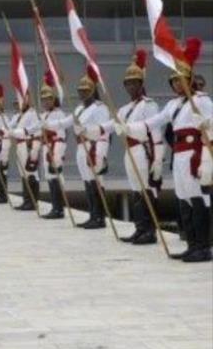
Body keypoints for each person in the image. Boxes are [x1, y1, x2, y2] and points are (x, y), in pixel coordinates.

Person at [117, 38, 211, 262]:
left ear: (189, 79)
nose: (177, 85)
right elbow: (153, 123)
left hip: (195, 154)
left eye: (180, 80)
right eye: (174, 81)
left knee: (198, 199)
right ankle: (191, 244)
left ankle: (204, 247)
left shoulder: (202, 101)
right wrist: (128, 127)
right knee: (183, 198)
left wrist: (207, 124)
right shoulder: (172, 105)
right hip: (178, 155)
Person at [100, 50, 163, 244]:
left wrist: (157, 161)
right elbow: (110, 126)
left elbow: (156, 134)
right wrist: (91, 130)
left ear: (141, 84)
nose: (130, 86)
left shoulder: (149, 105)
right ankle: (139, 228)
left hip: (143, 152)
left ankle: (149, 231)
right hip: (130, 152)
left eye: (134, 82)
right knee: (136, 191)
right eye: (128, 83)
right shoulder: (124, 109)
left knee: (146, 191)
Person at [45, 71, 111, 229]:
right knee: (87, 182)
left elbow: (104, 133)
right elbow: (64, 123)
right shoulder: (80, 109)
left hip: (93, 147)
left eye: (86, 90)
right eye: (80, 91)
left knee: (96, 182)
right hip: (81, 146)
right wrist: (47, 125)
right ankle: (92, 215)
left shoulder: (100, 108)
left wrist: (99, 154)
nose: (82, 93)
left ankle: (99, 218)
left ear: (93, 90)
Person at [35, 76, 68, 219]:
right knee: (49, 177)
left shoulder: (59, 114)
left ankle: (59, 209)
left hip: (55, 146)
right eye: (43, 99)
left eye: (48, 98)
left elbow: (60, 135)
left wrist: (56, 155)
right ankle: (55, 207)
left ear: (54, 99)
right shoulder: (43, 115)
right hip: (46, 146)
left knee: (55, 176)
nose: (45, 101)